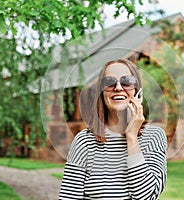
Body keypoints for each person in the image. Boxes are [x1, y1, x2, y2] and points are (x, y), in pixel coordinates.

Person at [58, 59, 167, 199]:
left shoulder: (154, 137)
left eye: (127, 81)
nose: (118, 87)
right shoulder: (84, 142)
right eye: (109, 82)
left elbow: (146, 196)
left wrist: (132, 137)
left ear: (137, 90)